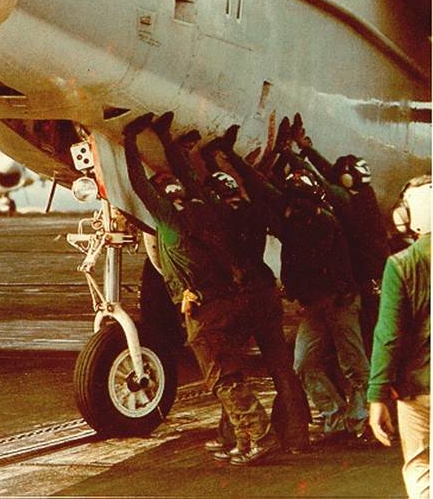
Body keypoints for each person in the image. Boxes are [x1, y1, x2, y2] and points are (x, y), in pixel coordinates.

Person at [123, 113, 278, 466]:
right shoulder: (207, 209)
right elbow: (190, 177)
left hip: (204, 312)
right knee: (229, 373)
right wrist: (166, 140)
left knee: (223, 379)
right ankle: (243, 440)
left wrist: (131, 141)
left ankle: (261, 435)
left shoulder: (169, 221)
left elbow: (138, 184)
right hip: (225, 303)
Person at [214, 124, 370, 441]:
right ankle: (337, 417)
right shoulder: (299, 218)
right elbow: (260, 188)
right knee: (304, 364)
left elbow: (264, 192)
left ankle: (362, 419)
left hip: (338, 302)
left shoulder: (321, 224)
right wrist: (233, 156)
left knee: (354, 365)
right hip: (316, 305)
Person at [290, 114, 390, 354]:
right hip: (376, 280)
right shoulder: (364, 194)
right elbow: (331, 175)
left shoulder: (349, 202)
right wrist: (307, 149)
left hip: (368, 284)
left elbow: (323, 182)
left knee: (368, 337)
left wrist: (290, 155)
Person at [368, 176, 431, 499]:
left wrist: (377, 395)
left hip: (419, 389)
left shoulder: (401, 264)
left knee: (421, 467)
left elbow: (388, 336)